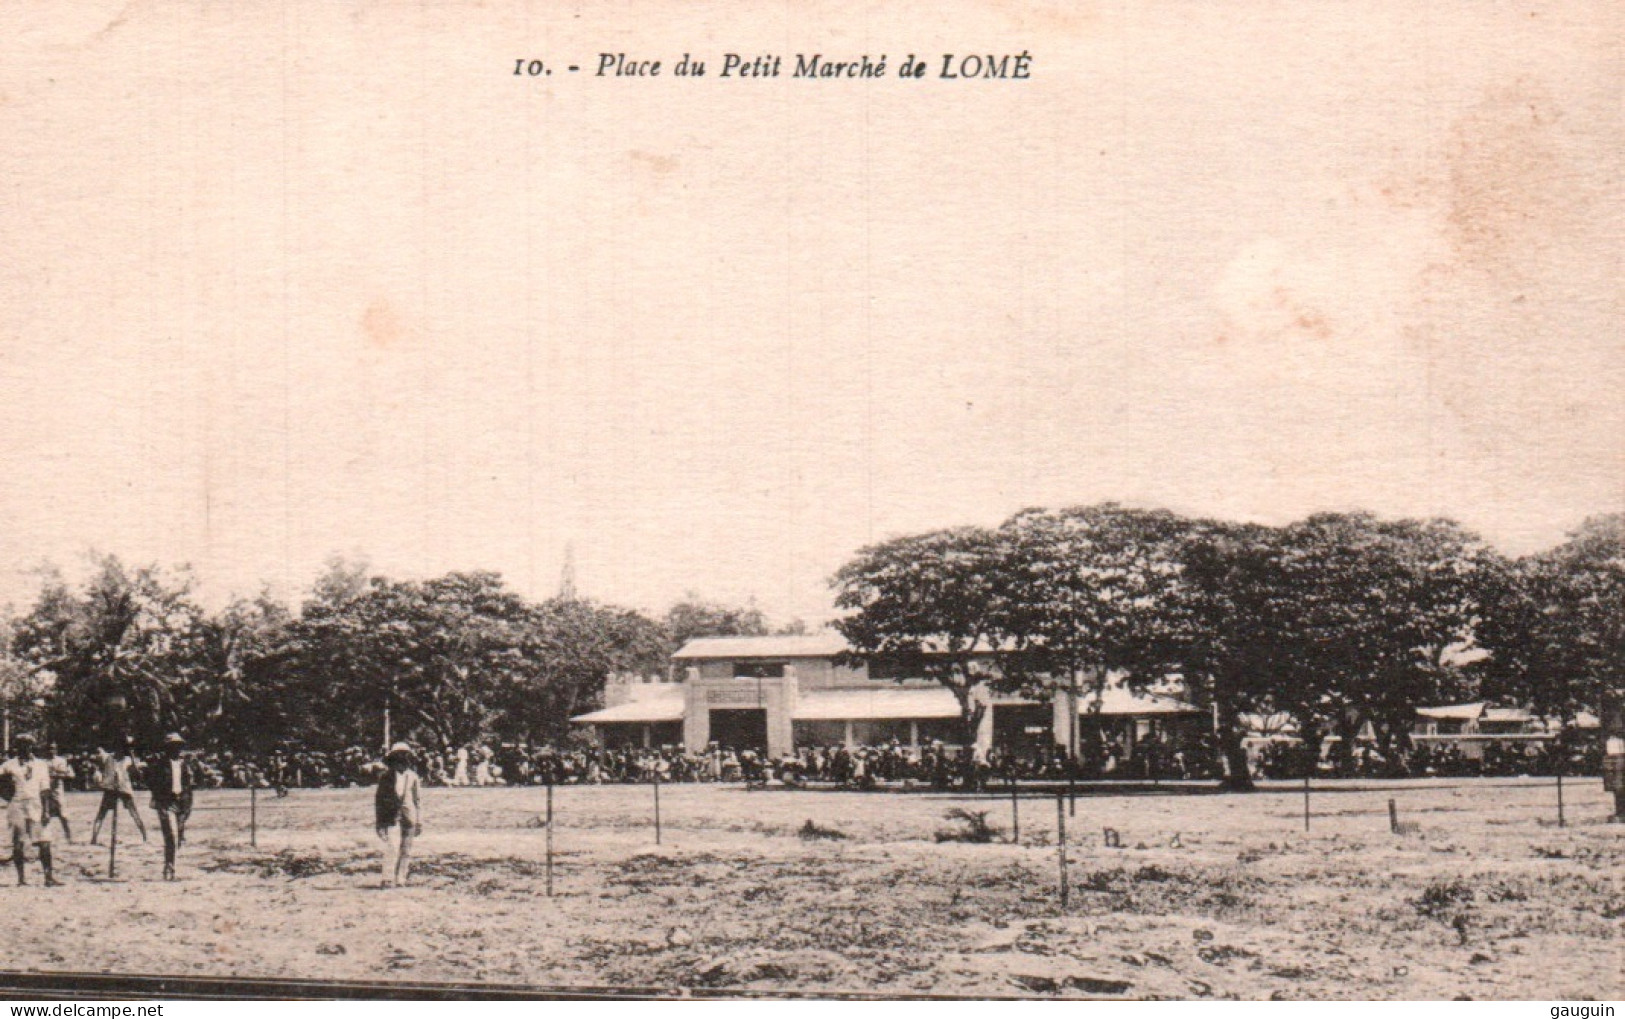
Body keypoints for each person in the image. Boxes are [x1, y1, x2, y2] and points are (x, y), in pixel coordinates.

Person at [2, 736, 62, 886]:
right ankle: (21, 879)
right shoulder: (9, 765)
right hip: (17, 805)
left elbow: (45, 789)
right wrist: (5, 793)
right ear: (17, 747)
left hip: (36, 804)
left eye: (28, 746)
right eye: (21, 746)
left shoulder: (41, 765)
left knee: (45, 840)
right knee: (18, 842)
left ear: (32, 747)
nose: (25, 749)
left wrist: (46, 811)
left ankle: (48, 877)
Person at [148, 733, 197, 881]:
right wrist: (159, 802)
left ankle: (170, 863)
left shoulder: (185, 765)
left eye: (178, 747)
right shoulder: (160, 765)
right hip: (166, 803)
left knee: (179, 837)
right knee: (171, 836)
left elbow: (189, 786)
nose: (176, 750)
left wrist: (188, 805)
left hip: (181, 803)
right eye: (172, 747)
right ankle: (170, 867)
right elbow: (152, 784)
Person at [375, 742, 422, 887]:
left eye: (405, 756)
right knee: (392, 846)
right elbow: (380, 801)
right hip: (392, 816)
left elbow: (417, 800)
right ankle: (387, 877)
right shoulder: (385, 777)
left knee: (406, 849)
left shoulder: (413, 777)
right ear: (393, 759)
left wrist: (419, 820)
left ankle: (401, 877)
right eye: (399, 756)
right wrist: (380, 822)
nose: (402, 759)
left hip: (409, 816)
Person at [90, 738, 148, 845]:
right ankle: (94, 838)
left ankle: (145, 836)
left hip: (124, 788)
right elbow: (96, 757)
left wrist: (132, 755)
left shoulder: (127, 759)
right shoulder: (108, 757)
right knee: (101, 814)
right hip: (110, 789)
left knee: (134, 813)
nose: (120, 749)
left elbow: (136, 772)